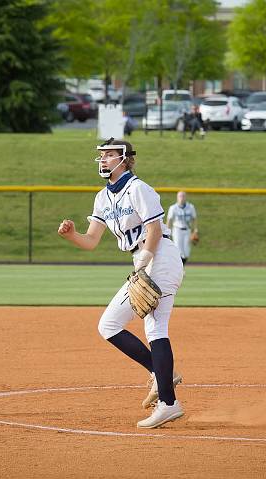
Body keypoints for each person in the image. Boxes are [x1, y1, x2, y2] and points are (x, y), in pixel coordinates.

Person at [57, 138, 185, 428]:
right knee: (109, 325)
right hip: (143, 259)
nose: (103, 160)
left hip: (160, 255)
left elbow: (153, 228)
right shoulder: (103, 198)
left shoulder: (138, 188)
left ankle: (168, 401)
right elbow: (90, 241)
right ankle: (161, 376)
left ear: (124, 159)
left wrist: (146, 258)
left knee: (154, 327)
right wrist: (71, 235)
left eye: (110, 155)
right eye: (101, 156)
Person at [166, 191, 198, 265]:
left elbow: (194, 218)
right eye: (180, 196)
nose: (181, 198)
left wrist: (195, 230)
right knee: (178, 250)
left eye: (183, 196)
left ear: (185, 197)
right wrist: (167, 232)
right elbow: (169, 220)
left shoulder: (191, 207)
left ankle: (181, 267)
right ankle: (180, 268)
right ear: (177, 198)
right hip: (177, 230)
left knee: (186, 252)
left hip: (187, 230)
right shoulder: (173, 208)